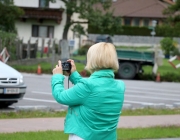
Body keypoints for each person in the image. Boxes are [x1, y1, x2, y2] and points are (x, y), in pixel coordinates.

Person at [51, 42, 125, 140]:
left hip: (83, 136)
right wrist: (74, 75)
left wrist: (57, 77)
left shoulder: (88, 86)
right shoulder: (120, 86)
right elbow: (92, 90)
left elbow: (60, 96)